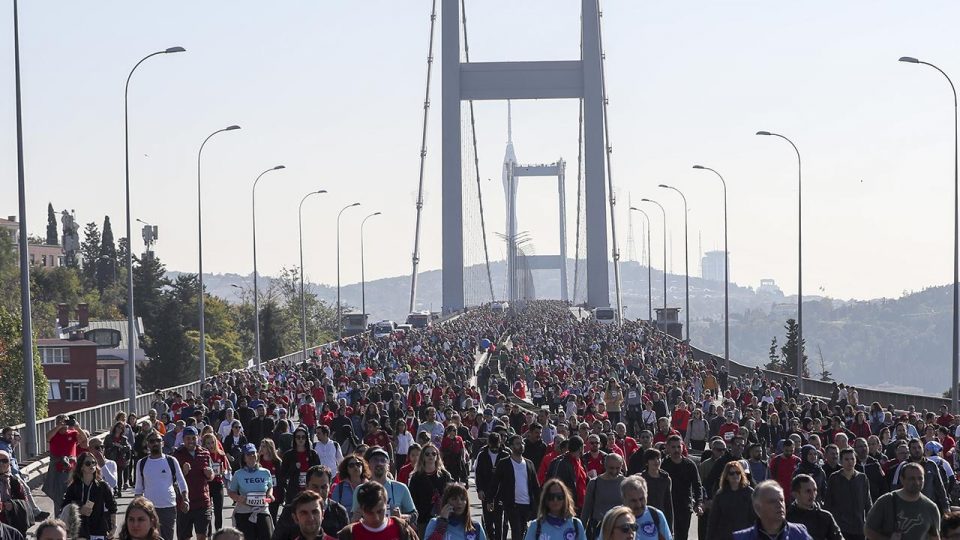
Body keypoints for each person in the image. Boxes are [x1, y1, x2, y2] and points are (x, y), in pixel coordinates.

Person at [134, 432, 189, 540]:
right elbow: (139, 488)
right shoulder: (142, 463)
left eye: (158, 440)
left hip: (168, 507)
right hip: (148, 508)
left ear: (162, 443)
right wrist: (137, 508)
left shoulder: (171, 461)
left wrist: (185, 499)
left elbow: (182, 482)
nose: (155, 443)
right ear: (148, 444)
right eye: (152, 441)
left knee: (167, 537)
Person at [865, 462, 941, 540]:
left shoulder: (931, 507)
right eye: (912, 478)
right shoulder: (886, 501)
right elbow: (868, 530)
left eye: (920, 478)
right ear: (902, 479)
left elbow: (935, 537)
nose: (917, 482)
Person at [491, 434, 540, 540]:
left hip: (527, 504)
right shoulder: (504, 463)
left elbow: (536, 486)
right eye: (518, 444)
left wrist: (540, 503)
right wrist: (490, 499)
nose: (521, 445)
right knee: (516, 531)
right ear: (511, 446)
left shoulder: (529, 464)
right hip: (512, 504)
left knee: (523, 531)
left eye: (522, 443)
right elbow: (495, 483)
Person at [61, 451, 117, 539]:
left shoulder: (102, 486)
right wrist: (79, 509)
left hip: (99, 530)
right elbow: (65, 506)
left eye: (94, 463)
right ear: (81, 467)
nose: (92, 465)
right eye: (88, 463)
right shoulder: (74, 486)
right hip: (80, 531)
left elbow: (112, 506)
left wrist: (113, 526)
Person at [353, 447, 417, 523]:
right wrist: (356, 518)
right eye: (375, 460)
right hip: (369, 533)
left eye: (383, 460)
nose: (379, 463)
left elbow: (414, 515)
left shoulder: (401, 488)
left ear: (388, 467)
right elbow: (353, 518)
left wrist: (401, 517)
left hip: (393, 533)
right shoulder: (360, 490)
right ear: (369, 465)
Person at [173, 426, 215, 540]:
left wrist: (209, 474)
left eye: (193, 438)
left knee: (203, 536)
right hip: (184, 503)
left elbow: (212, 476)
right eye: (188, 438)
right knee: (184, 536)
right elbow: (172, 480)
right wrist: (183, 472)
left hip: (203, 502)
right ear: (183, 439)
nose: (191, 441)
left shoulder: (205, 453)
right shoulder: (177, 455)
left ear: (198, 438)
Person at [42, 415, 88, 517]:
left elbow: (84, 439)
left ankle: (70, 515)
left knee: (71, 493)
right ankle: (58, 515)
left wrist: (77, 427)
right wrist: (59, 426)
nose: (64, 424)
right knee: (58, 494)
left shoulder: (73, 433)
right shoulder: (54, 434)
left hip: (71, 467)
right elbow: (48, 437)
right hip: (57, 466)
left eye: (66, 422)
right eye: (61, 422)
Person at [337, 483, 419, 540]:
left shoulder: (401, 528)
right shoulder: (349, 534)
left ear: (386, 504)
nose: (376, 518)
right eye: (370, 512)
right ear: (361, 509)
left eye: (380, 511)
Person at [227, 443, 275, 539]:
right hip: (244, 511)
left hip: (262, 510)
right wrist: (238, 498)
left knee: (268, 536)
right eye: (248, 454)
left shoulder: (265, 472)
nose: (251, 456)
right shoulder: (238, 474)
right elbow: (231, 492)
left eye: (253, 453)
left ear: (257, 455)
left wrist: (269, 495)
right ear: (244, 458)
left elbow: (270, 486)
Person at [733, 480, 811, 539]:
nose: (780, 505)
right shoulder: (741, 537)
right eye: (772, 501)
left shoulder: (800, 534)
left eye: (781, 500)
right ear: (757, 507)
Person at [659, 434, 701, 540]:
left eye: (679, 446)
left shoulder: (690, 465)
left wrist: (698, 503)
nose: (676, 450)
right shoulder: (663, 465)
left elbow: (697, 485)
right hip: (668, 507)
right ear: (667, 447)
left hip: (684, 507)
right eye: (673, 447)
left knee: (682, 536)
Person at [823, 448, 871, 540]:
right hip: (840, 527)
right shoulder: (834, 478)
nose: (850, 462)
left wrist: (871, 521)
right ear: (841, 461)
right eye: (846, 459)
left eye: (852, 459)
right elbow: (828, 502)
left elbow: (867, 502)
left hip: (859, 527)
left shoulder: (862, 478)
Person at [409, 442, 454, 536]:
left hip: (443, 518)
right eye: (427, 454)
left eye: (434, 453)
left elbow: (452, 495)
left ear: (437, 456)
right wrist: (413, 521)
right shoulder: (416, 477)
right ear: (423, 457)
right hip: (423, 520)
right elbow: (412, 500)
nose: (431, 456)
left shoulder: (445, 476)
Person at [522, 479, 587, 540]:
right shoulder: (535, 526)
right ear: (545, 500)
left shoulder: (576, 525)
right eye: (551, 497)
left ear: (565, 499)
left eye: (559, 496)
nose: (555, 500)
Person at [581, 453, 625, 540]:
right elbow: (586, 509)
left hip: (621, 528)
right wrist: (581, 531)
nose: (614, 471)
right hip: (599, 528)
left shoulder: (625, 483)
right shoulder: (594, 483)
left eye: (618, 468)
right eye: (611, 468)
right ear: (605, 465)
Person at [706, 461, 755, 540]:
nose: (735, 475)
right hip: (724, 536)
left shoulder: (750, 493)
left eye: (738, 472)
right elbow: (713, 520)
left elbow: (755, 518)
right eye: (731, 473)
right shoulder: (720, 495)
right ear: (726, 476)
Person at [785, 474, 842, 540]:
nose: (813, 495)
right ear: (795, 494)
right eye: (808, 491)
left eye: (815, 490)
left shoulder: (825, 517)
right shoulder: (787, 517)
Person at [476, 432, 508, 540]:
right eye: (492, 444)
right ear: (488, 443)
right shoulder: (482, 455)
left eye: (497, 444)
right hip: (486, 491)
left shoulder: (505, 455)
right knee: (488, 521)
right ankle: (490, 537)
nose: (494, 447)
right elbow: (478, 474)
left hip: (501, 492)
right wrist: (479, 490)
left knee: (499, 520)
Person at [618, 475, 671, 540]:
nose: (639, 505)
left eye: (641, 499)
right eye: (633, 501)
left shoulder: (657, 516)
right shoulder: (614, 518)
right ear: (624, 499)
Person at [279, 428, 321, 506]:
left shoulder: (313, 454)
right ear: (294, 439)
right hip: (293, 492)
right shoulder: (288, 455)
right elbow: (283, 475)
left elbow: (319, 473)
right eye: (298, 437)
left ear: (306, 439)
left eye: (303, 437)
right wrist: (293, 468)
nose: (300, 439)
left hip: (310, 491)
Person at [639, 449, 673, 534]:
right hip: (644, 517)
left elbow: (668, 503)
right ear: (647, 462)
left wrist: (670, 528)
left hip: (661, 518)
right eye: (652, 459)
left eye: (658, 458)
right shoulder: (641, 479)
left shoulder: (666, 479)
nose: (656, 461)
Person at [203, 432, 231, 532]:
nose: (210, 445)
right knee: (208, 511)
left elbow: (227, 469)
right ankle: (209, 533)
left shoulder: (221, 454)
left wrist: (224, 472)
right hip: (207, 485)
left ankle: (218, 533)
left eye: (212, 442)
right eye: (208, 443)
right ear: (204, 444)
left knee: (218, 511)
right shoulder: (203, 455)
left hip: (218, 484)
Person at [0, 450, 30, 535]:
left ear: (9, 463)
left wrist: (12, 505)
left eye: (4, 461)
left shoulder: (14, 481)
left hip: (13, 525)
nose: (1, 464)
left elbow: (25, 503)